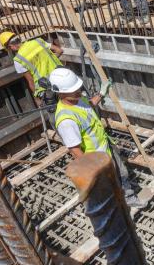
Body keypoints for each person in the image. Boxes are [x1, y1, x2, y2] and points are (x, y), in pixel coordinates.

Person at [48, 68, 147, 208]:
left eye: (78, 87)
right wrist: (92, 170)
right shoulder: (66, 120)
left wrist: (101, 93)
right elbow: (75, 150)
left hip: (106, 147)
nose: (78, 91)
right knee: (110, 185)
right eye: (73, 90)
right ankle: (119, 206)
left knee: (122, 173)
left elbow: (88, 105)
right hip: (96, 160)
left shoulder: (77, 98)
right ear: (60, 92)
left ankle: (129, 198)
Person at [0, 31, 63, 107]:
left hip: (47, 89)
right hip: (62, 77)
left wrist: (36, 98)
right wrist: (49, 59)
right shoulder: (38, 41)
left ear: (10, 46)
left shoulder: (18, 60)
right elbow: (59, 51)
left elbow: (31, 81)